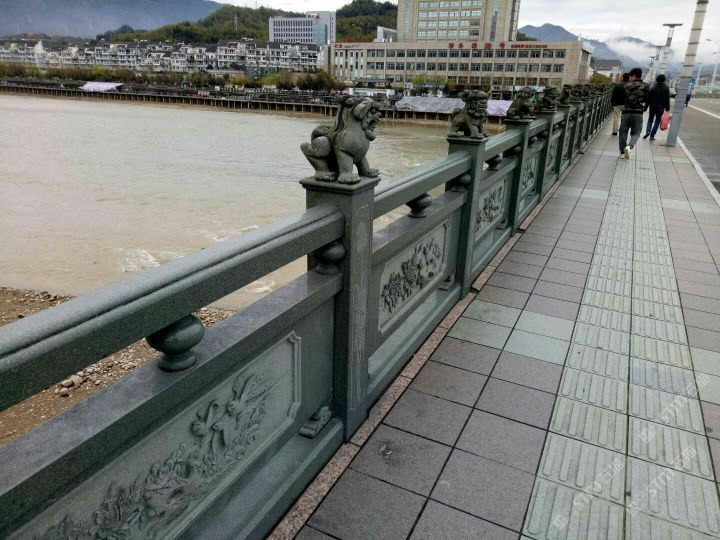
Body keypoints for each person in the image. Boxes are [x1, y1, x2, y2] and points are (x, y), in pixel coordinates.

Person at [618, 67, 649, 160]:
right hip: (638, 113)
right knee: (636, 133)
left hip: (626, 112)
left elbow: (621, 99)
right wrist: (643, 107)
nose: (630, 78)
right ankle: (629, 146)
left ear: (634, 75)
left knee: (623, 132)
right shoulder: (646, 86)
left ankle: (622, 153)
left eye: (631, 76)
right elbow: (647, 100)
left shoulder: (626, 85)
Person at [643, 74, 670, 141]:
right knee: (657, 121)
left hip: (652, 106)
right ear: (664, 80)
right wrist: (667, 107)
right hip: (660, 107)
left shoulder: (653, 87)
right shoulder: (666, 88)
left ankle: (648, 131)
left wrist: (645, 107)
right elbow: (667, 99)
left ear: (657, 79)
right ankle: (652, 135)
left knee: (650, 119)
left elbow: (648, 99)